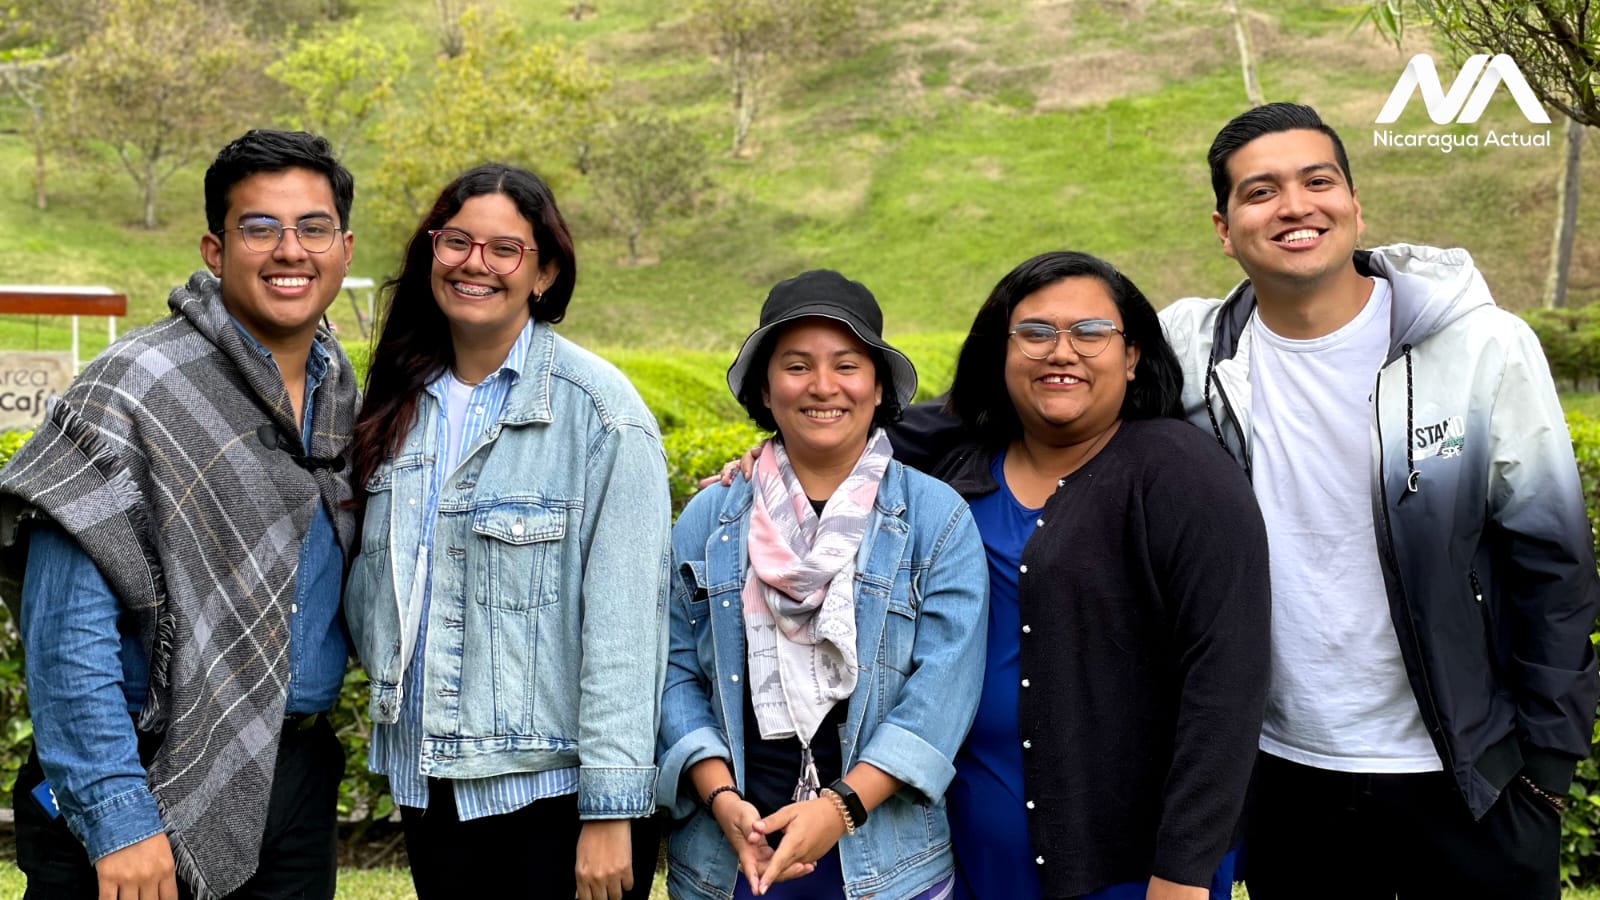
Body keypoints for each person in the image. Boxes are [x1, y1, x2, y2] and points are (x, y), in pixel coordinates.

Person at [1159, 102, 1600, 900]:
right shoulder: (1193, 356)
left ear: (1355, 206)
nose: (1294, 206)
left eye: (1317, 181)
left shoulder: (1480, 346)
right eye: (1260, 192)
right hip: (1289, 776)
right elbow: (1048, 380)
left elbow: (1555, 563)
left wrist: (1549, 767)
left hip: (1474, 778)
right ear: (1223, 228)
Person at [0, 130, 360, 900]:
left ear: (345, 248)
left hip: (291, 782)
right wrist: (118, 816)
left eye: (313, 228)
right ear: (213, 248)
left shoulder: (341, 397)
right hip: (142, 771)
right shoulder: (131, 390)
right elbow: (66, 630)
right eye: (259, 227)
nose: (289, 250)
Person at [342, 163, 670, 900]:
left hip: (554, 800)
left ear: (544, 272)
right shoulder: (397, 403)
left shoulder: (601, 413)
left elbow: (627, 626)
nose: (474, 265)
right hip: (431, 784)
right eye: (456, 241)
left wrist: (612, 808)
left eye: (504, 249)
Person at [932, 251, 1270, 900]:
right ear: (999, 351)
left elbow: (1228, 677)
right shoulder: (962, 464)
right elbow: (871, 428)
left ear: (1133, 355)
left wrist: (1184, 871)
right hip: (973, 849)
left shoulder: (1179, 473)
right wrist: (773, 457)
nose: (1062, 352)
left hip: (1131, 865)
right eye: (1034, 333)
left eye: (1090, 332)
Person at [658, 270, 989, 900]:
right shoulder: (711, 517)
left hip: (888, 862)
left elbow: (943, 692)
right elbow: (673, 671)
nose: (823, 387)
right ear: (765, 384)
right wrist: (719, 793)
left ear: (877, 384)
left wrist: (839, 808)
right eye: (797, 366)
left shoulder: (934, 519)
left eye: (846, 364)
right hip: (730, 857)